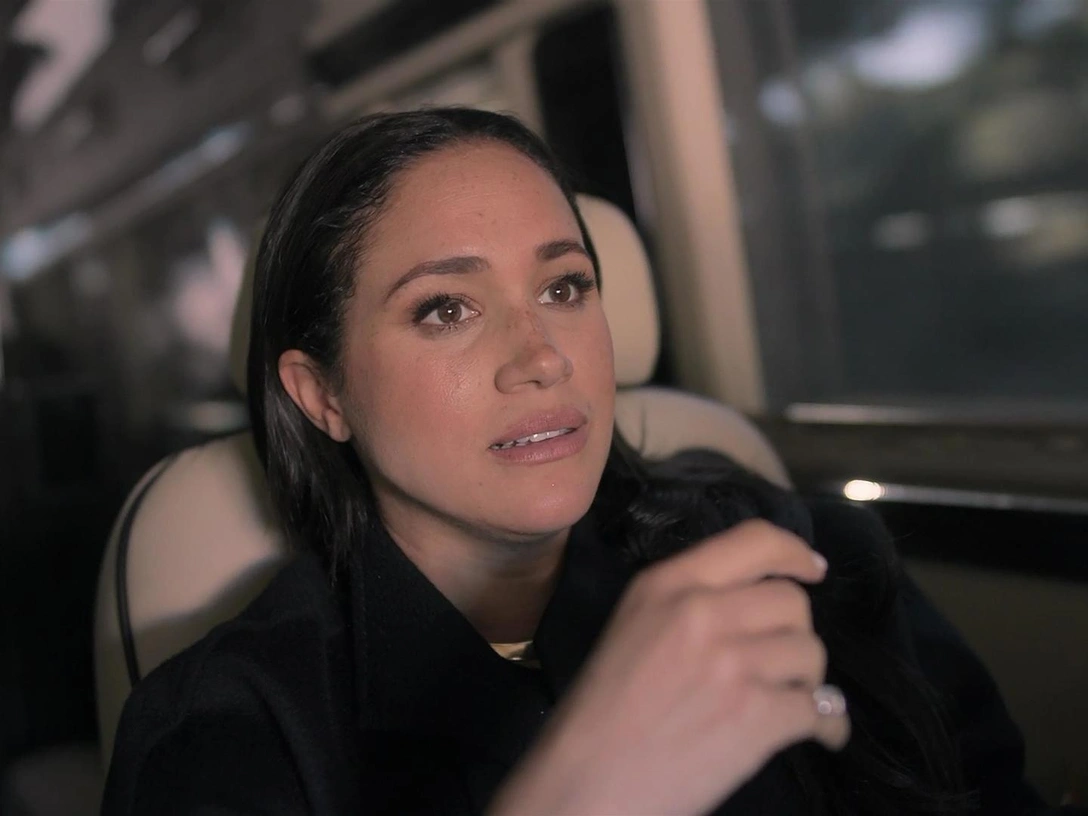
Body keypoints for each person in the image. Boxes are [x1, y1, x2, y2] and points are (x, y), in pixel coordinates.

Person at [101, 108, 1081, 815]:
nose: (542, 356)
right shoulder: (231, 728)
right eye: (446, 308)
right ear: (322, 396)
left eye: (565, 288)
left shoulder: (793, 547)